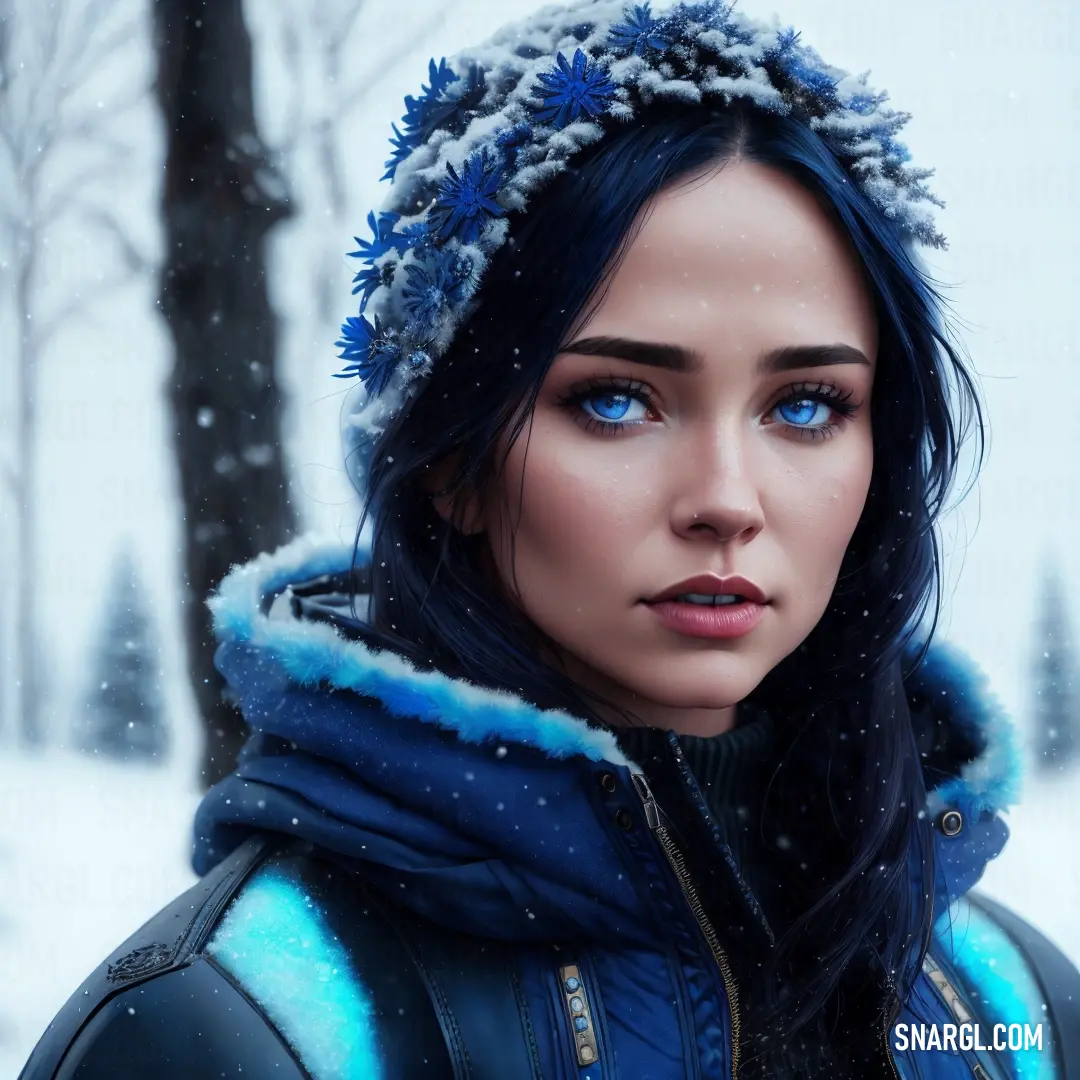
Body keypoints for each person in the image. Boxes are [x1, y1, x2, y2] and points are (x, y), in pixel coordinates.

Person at [20, 2, 1080, 1078]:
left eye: (805, 406)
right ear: (452, 459)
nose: (726, 498)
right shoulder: (246, 1029)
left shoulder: (1015, 1011)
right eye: (616, 401)